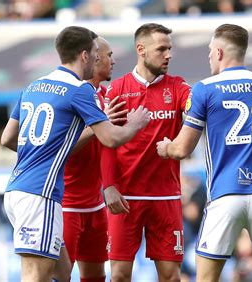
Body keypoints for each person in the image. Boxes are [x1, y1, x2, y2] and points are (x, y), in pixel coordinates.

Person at [0, 26, 150, 282]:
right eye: (95, 53)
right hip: (41, 195)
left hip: (16, 189)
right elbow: (111, 138)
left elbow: (7, 138)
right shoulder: (79, 90)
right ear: (84, 55)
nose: (99, 59)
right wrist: (136, 123)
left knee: (62, 272)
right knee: (35, 274)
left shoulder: (34, 86)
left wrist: (46, 151)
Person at [156, 23, 252, 282]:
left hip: (224, 196)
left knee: (206, 278)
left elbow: (182, 148)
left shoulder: (205, 88)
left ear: (220, 52)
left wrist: (165, 147)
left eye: (211, 51)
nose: (209, 56)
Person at [101, 23, 191, 281]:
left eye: (170, 49)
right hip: (126, 196)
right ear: (141, 49)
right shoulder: (117, 89)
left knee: (171, 276)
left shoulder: (177, 86)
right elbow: (107, 141)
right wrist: (109, 186)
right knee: (118, 275)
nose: (168, 55)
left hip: (165, 197)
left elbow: (195, 104)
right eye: (161, 49)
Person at [61, 36, 124, 282]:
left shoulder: (109, 96)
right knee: (60, 275)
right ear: (94, 58)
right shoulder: (71, 96)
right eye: (108, 55)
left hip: (95, 205)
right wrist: (100, 123)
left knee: (96, 275)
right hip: (67, 204)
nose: (113, 61)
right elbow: (60, 148)